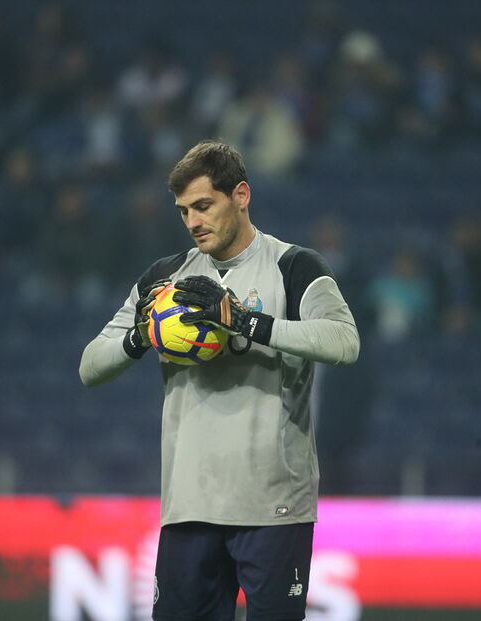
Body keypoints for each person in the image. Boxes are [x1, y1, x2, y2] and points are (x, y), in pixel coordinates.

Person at [79, 141, 359, 619]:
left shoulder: (294, 267)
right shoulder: (164, 280)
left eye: (204, 206)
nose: (193, 222)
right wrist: (139, 337)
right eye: (184, 211)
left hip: (274, 508)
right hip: (189, 506)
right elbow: (90, 366)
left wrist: (246, 322)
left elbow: (343, 342)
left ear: (242, 195)